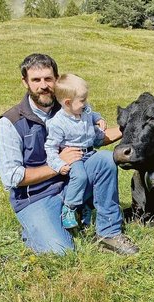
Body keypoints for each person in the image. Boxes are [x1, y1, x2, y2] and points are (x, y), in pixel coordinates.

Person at [0, 53, 138, 255]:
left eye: (48, 79)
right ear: (25, 82)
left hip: (71, 185)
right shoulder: (10, 124)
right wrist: (57, 164)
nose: (43, 85)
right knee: (62, 251)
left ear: (56, 79)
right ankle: (35, 229)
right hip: (36, 197)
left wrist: (131, 128)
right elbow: (12, 177)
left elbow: (94, 139)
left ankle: (109, 232)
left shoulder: (70, 107)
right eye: (36, 80)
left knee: (105, 159)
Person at [44, 73, 107, 229]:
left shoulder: (83, 110)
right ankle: (69, 208)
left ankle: (86, 206)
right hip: (75, 156)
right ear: (67, 102)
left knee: (96, 177)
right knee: (80, 176)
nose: (86, 104)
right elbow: (50, 147)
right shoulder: (57, 123)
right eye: (82, 100)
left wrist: (98, 119)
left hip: (90, 151)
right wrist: (59, 164)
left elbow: (91, 114)